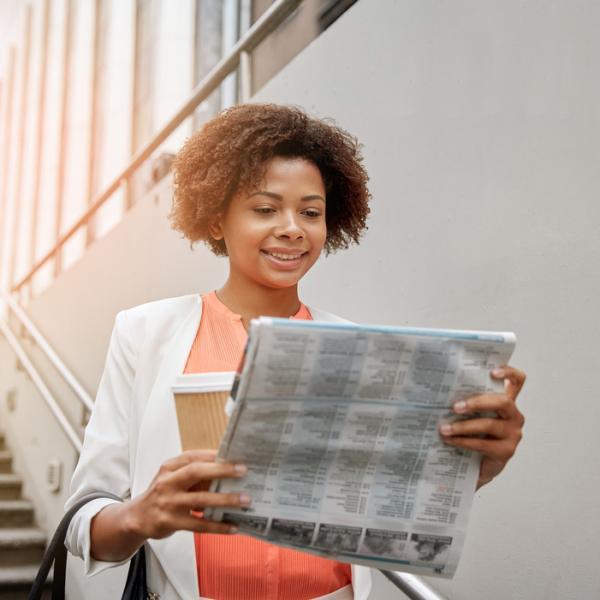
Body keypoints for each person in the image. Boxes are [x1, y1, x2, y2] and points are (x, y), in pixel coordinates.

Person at [65, 103, 526, 600]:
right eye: (265, 209)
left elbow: (385, 507)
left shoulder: (359, 348)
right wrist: (142, 514)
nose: (292, 228)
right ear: (216, 221)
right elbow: (83, 526)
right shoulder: (145, 334)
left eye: (311, 212)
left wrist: (474, 468)